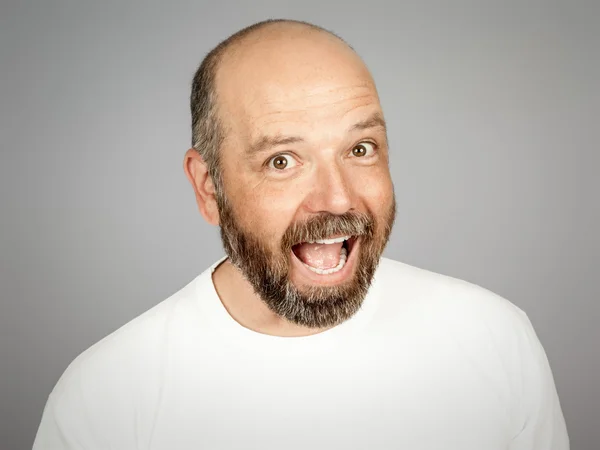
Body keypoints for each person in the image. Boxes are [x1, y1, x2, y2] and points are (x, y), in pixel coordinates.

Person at [33, 19, 569, 450]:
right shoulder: (104, 399)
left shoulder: (495, 338)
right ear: (208, 188)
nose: (337, 199)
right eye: (282, 160)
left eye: (360, 149)